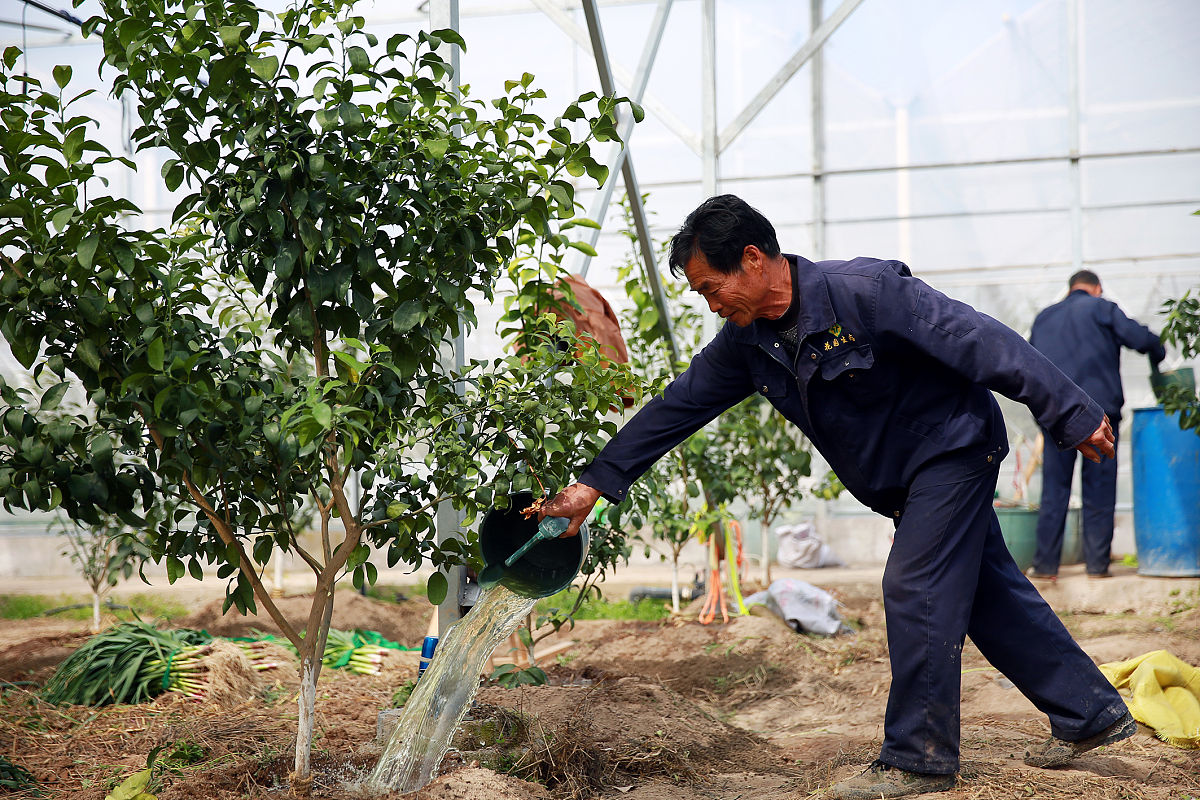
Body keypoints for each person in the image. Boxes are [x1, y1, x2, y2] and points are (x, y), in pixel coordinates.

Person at [540, 195, 1135, 799]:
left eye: (712, 288)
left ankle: (919, 759)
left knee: (916, 585)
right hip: (902, 481)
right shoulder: (748, 342)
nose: (712, 304)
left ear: (753, 258)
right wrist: (592, 486)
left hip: (953, 448)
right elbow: (678, 406)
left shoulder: (866, 294)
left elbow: (978, 338)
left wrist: (1069, 410)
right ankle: (1090, 713)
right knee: (988, 594)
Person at [1028, 270, 1165, 580]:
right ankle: (1097, 565)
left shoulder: (1044, 318)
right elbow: (1140, 339)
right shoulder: (1103, 308)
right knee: (1099, 489)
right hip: (1098, 416)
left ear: (1070, 289)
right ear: (1097, 288)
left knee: (1054, 490)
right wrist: (1158, 351)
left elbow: (1029, 365)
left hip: (1056, 416)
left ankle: (1046, 565)